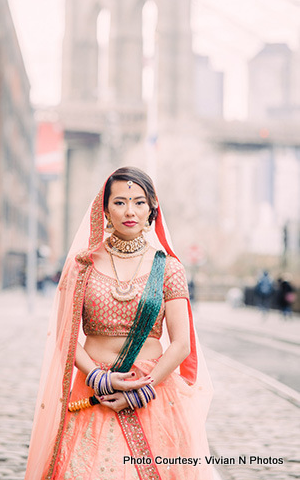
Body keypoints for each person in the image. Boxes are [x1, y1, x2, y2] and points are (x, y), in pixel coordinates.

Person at [24, 167, 213, 480]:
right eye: (120, 202)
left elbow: (181, 344)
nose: (130, 211)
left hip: (151, 393)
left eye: (139, 203)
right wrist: (99, 377)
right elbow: (64, 335)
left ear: (152, 209)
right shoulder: (82, 265)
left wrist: (140, 391)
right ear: (106, 210)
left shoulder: (168, 268)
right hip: (92, 391)